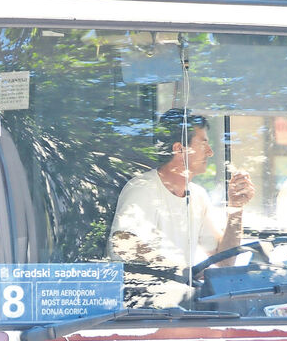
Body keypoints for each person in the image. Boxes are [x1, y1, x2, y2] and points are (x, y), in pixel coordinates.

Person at [108, 108, 255, 272]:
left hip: (182, 294)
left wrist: (236, 208)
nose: (210, 152)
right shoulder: (143, 188)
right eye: (203, 143)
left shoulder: (198, 196)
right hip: (147, 294)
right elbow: (123, 243)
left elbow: (224, 261)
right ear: (179, 149)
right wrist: (180, 271)